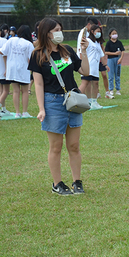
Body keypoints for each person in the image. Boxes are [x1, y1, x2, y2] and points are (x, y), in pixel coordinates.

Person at [28, 18, 90, 195]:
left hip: (72, 101)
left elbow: (85, 71)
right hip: (53, 102)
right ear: (46, 33)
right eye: (55, 29)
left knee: (74, 145)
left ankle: (77, 181)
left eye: (60, 29)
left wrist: (83, 52)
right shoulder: (38, 55)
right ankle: (57, 184)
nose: (59, 33)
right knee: (56, 147)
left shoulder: (67, 51)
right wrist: (41, 108)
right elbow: (38, 85)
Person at [1, 25, 35, 118]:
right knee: (24, 91)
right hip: (23, 69)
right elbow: (32, 58)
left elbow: (3, 51)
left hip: (12, 69)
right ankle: (24, 112)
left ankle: (17, 113)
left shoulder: (11, 40)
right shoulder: (28, 44)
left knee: (15, 91)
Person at [79, 24, 104, 110]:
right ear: (92, 32)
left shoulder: (97, 43)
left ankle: (94, 102)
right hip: (88, 67)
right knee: (87, 84)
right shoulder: (88, 41)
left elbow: (101, 55)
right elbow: (81, 51)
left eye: (100, 32)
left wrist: (105, 65)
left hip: (95, 68)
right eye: (97, 31)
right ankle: (86, 101)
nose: (99, 33)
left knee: (95, 84)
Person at [104, 28, 125, 97]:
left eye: (115, 33)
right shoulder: (108, 43)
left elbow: (122, 51)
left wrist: (120, 58)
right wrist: (115, 53)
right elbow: (106, 52)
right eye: (113, 34)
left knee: (117, 75)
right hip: (110, 60)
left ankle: (118, 89)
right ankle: (111, 89)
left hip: (118, 60)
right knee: (110, 75)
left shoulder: (119, 42)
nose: (114, 35)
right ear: (110, 35)